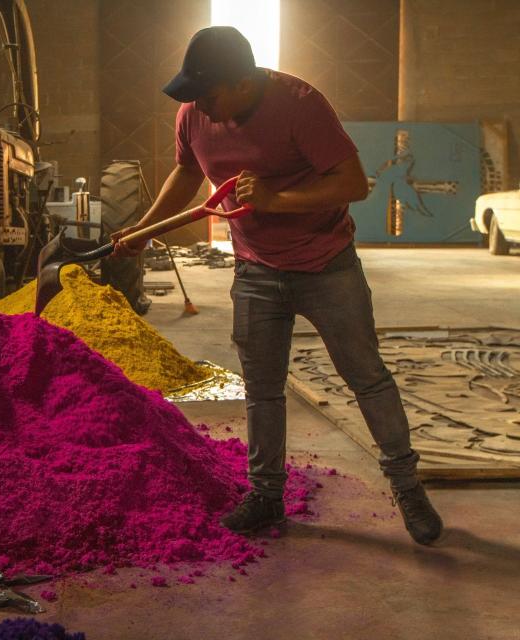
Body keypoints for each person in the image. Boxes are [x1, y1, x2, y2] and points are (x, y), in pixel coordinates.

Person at [111, 26, 443, 545]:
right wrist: (143, 228)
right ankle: (266, 495)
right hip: (255, 270)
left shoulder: (301, 105)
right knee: (262, 389)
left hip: (326, 265)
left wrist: (275, 200)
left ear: (244, 81)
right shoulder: (194, 113)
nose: (201, 105)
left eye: (210, 93)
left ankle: (407, 485)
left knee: (367, 378)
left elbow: (353, 184)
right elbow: (185, 174)